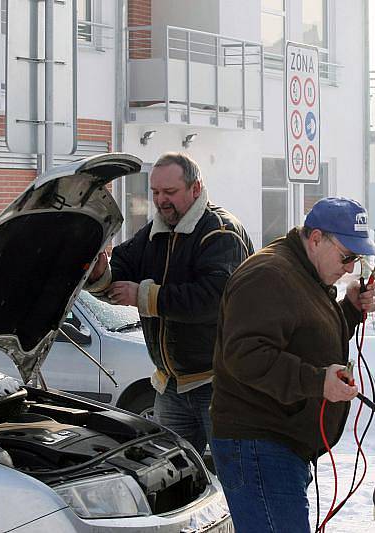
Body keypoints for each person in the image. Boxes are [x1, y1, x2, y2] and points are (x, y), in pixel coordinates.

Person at [210, 197, 375, 533]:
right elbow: (246, 355)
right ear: (316, 238)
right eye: (347, 257)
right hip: (259, 444)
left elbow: (307, 335)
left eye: (356, 259)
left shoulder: (304, 271)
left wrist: (348, 309)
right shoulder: (269, 276)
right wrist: (318, 382)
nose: (349, 268)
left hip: (280, 444)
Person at [87, 152, 253, 455]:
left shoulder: (221, 232)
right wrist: (100, 272)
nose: (161, 200)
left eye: (170, 192)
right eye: (155, 192)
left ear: (196, 188)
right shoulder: (155, 231)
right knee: (176, 478)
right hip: (170, 386)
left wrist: (145, 296)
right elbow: (121, 268)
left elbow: (212, 299)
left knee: (234, 476)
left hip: (219, 387)